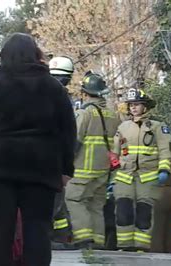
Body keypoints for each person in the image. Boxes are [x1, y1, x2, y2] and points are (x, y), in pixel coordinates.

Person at [0, 33, 76, 266]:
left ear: (4, 56)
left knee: (0, 229)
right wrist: (66, 169)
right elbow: (68, 130)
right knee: (38, 229)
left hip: (1, 167)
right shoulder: (53, 87)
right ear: (36, 55)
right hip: (42, 168)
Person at [112, 88, 171, 252]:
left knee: (144, 212)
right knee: (123, 209)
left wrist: (164, 170)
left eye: (137, 104)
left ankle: (141, 246)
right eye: (131, 105)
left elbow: (165, 150)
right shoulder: (123, 127)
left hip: (148, 177)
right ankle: (125, 246)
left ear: (145, 107)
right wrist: (111, 176)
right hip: (125, 176)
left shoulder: (157, 127)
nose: (133, 108)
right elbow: (115, 152)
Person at [65, 71, 120, 249]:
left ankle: (84, 238)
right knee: (96, 205)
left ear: (86, 93)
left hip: (82, 169)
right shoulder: (113, 115)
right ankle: (98, 242)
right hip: (103, 170)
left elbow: (76, 140)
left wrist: (65, 162)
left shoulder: (85, 113)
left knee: (74, 200)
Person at [49, 55, 75, 246]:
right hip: (53, 161)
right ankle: (56, 238)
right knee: (54, 203)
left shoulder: (39, 93)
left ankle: (58, 237)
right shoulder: (63, 98)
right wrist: (67, 169)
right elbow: (68, 134)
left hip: (43, 160)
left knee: (55, 205)